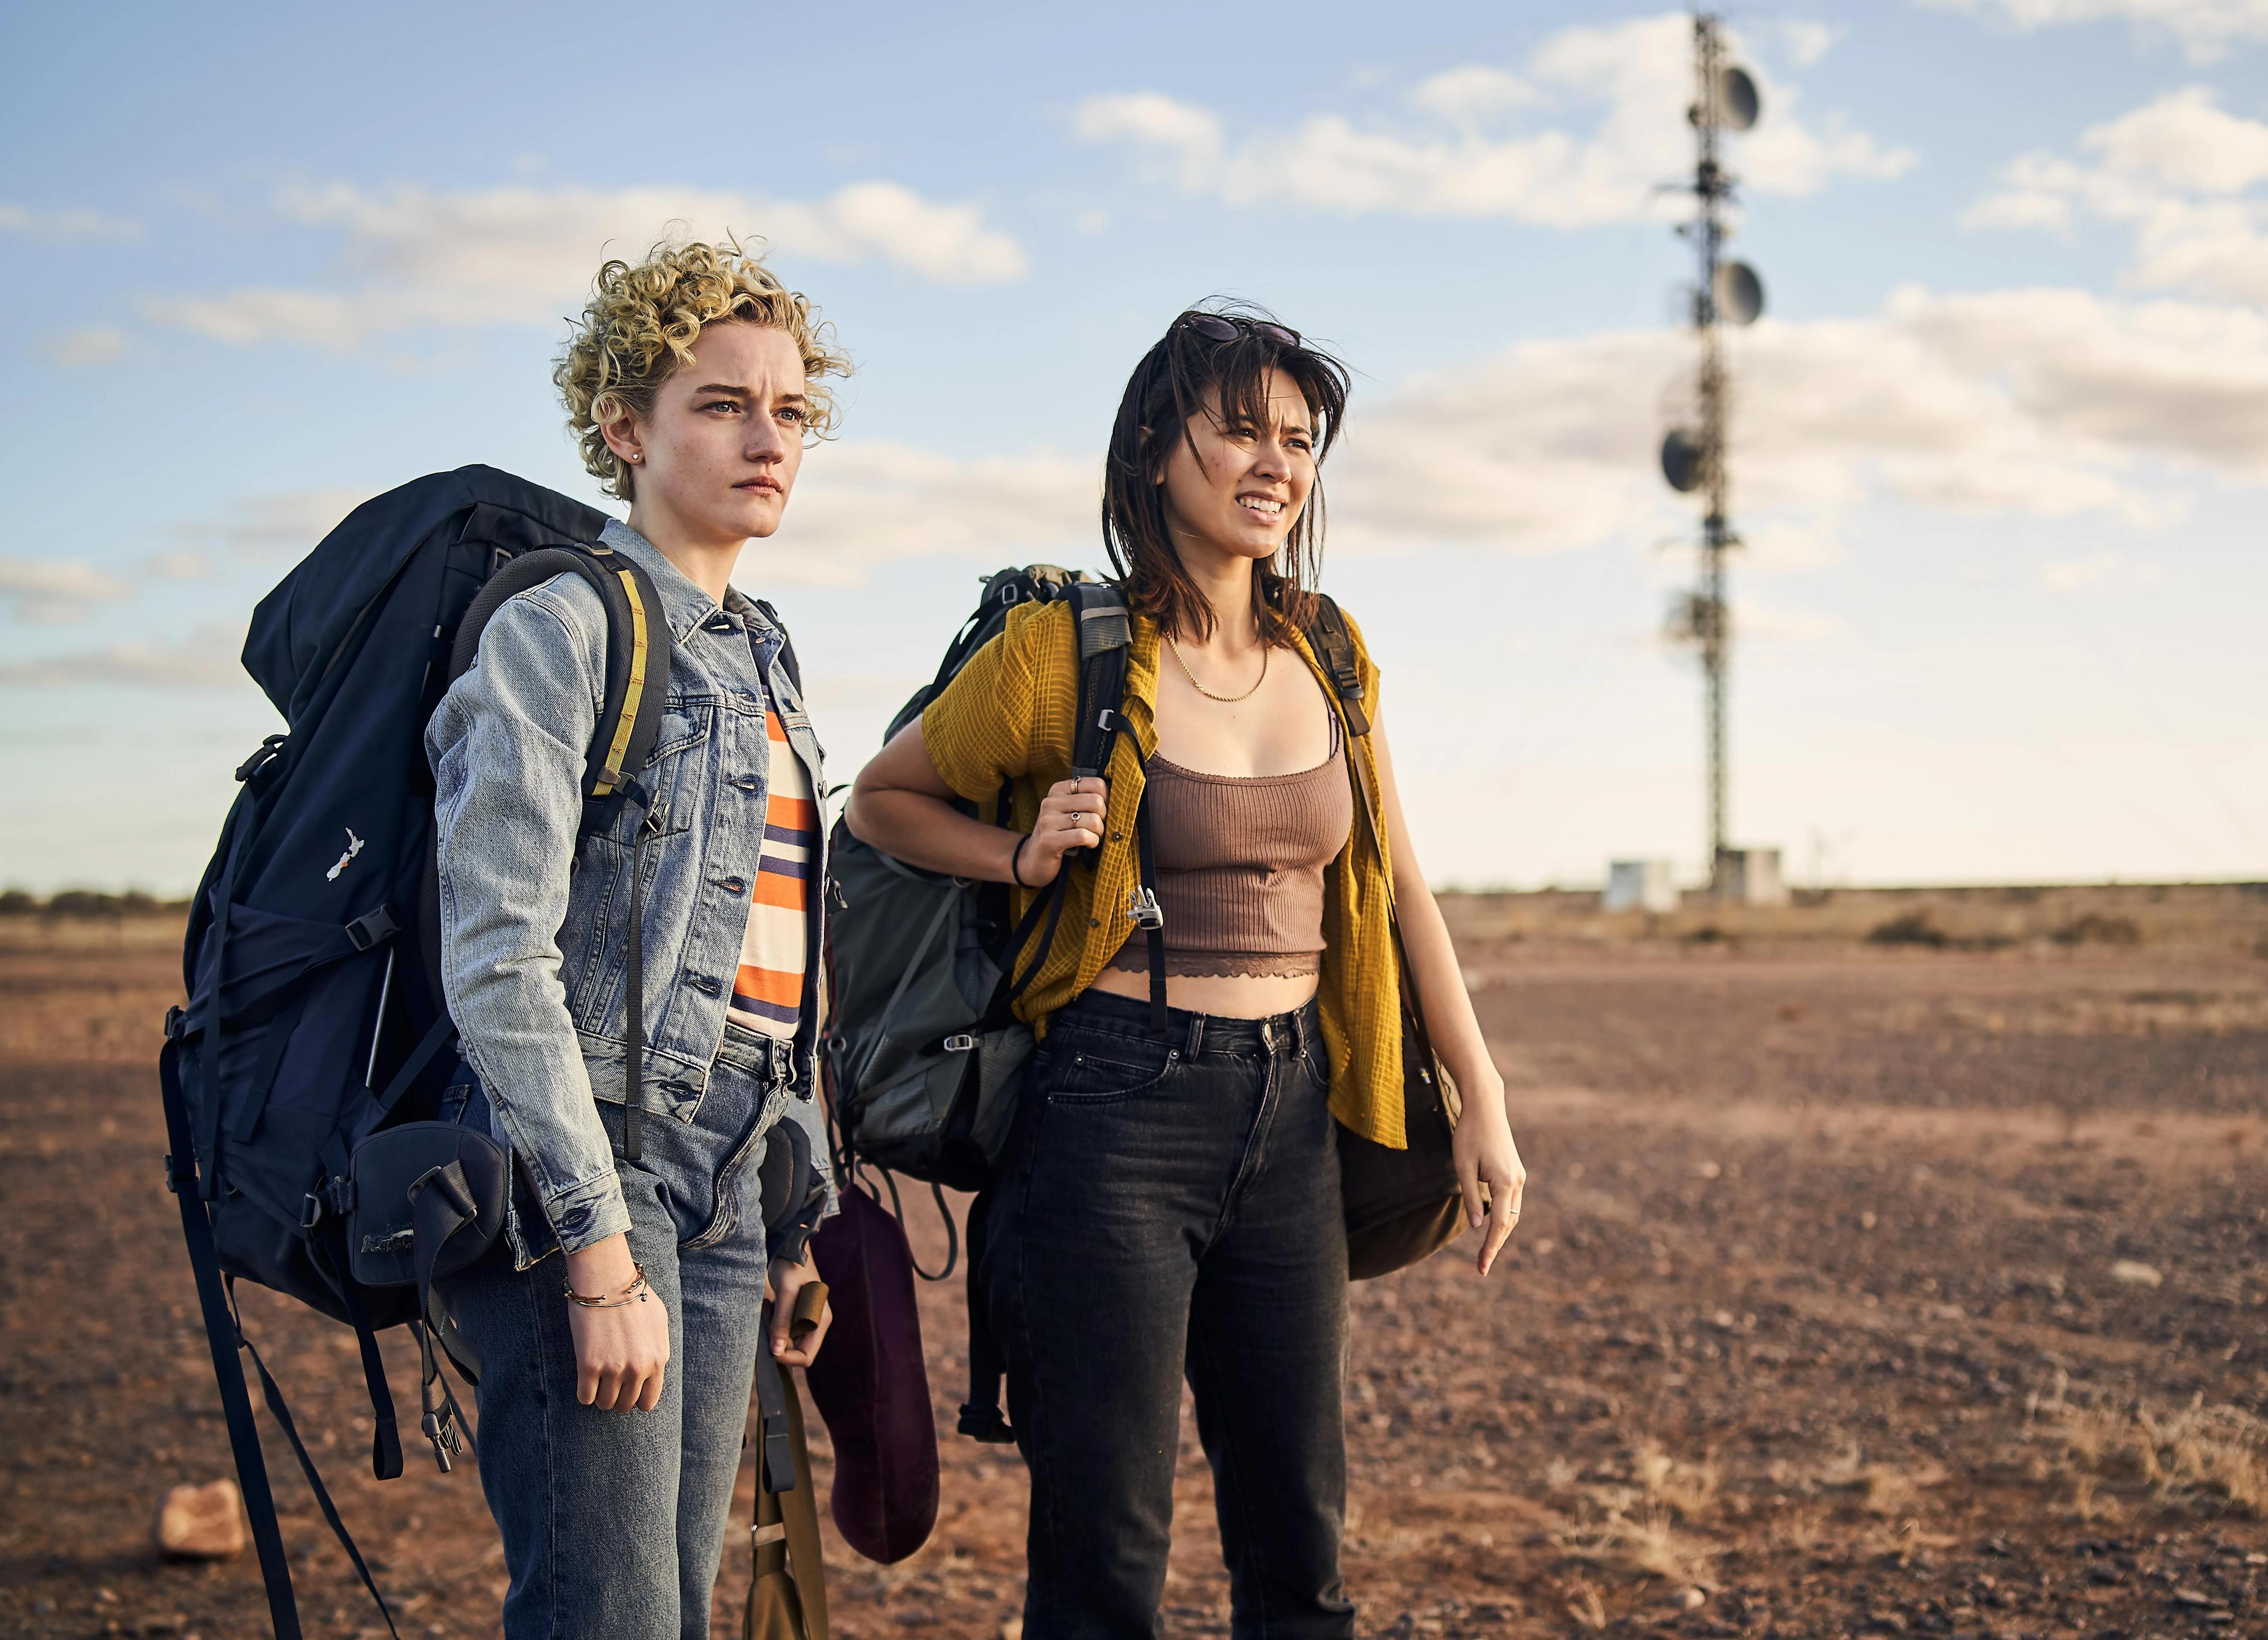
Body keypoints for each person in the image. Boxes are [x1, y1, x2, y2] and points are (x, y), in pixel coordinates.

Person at [846, 305, 1529, 1639]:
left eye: (1301, 439)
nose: (1277, 463)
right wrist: (1017, 854)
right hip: (1112, 1113)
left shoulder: (1330, 648)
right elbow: (881, 802)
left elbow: (1400, 884)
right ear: (1158, 447)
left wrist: (1482, 1097)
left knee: (1299, 1547)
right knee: (1105, 1561)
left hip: (1295, 1110)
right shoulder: (1065, 652)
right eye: (1243, 431)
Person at [426, 239, 846, 1639]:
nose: (767, 440)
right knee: (607, 1615)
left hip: (729, 1177)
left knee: (672, 1607)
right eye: (723, 405)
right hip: (595, 1160)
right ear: (624, 426)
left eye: (790, 411)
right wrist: (593, 1244)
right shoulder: (560, 628)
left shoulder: (765, 650)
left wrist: (793, 1214)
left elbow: (777, 963)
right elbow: (498, 951)